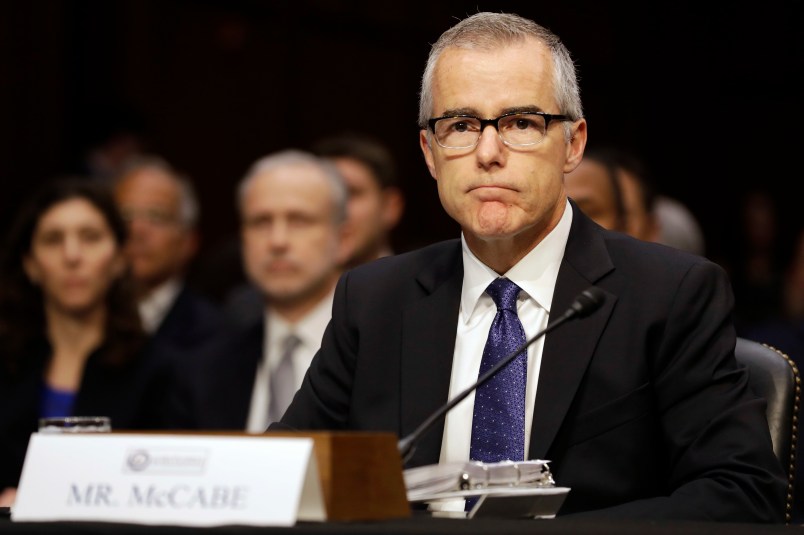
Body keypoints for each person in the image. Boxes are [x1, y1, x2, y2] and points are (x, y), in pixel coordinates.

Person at [275, 12, 786, 522]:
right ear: (430, 153)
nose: (488, 152)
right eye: (461, 125)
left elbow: (740, 493)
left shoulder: (670, 294)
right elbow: (282, 478)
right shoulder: (375, 299)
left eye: (521, 123)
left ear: (573, 144)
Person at [0, 178, 170, 507]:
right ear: (30, 263)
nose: (72, 255)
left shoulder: (160, 371)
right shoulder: (5, 361)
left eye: (90, 237)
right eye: (53, 239)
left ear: (120, 257)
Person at [167, 150, 350, 432]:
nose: (277, 241)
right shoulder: (202, 370)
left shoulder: (379, 357)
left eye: (299, 220)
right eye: (261, 222)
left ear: (341, 236)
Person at [112, 155, 225, 357]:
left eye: (156, 216)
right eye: (125, 216)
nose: (137, 230)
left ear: (188, 241)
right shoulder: (86, 320)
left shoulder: (218, 336)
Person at [311, 132, 406, 269]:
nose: (337, 208)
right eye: (324, 195)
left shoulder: (425, 284)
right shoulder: (284, 288)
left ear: (390, 207)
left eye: (351, 192)